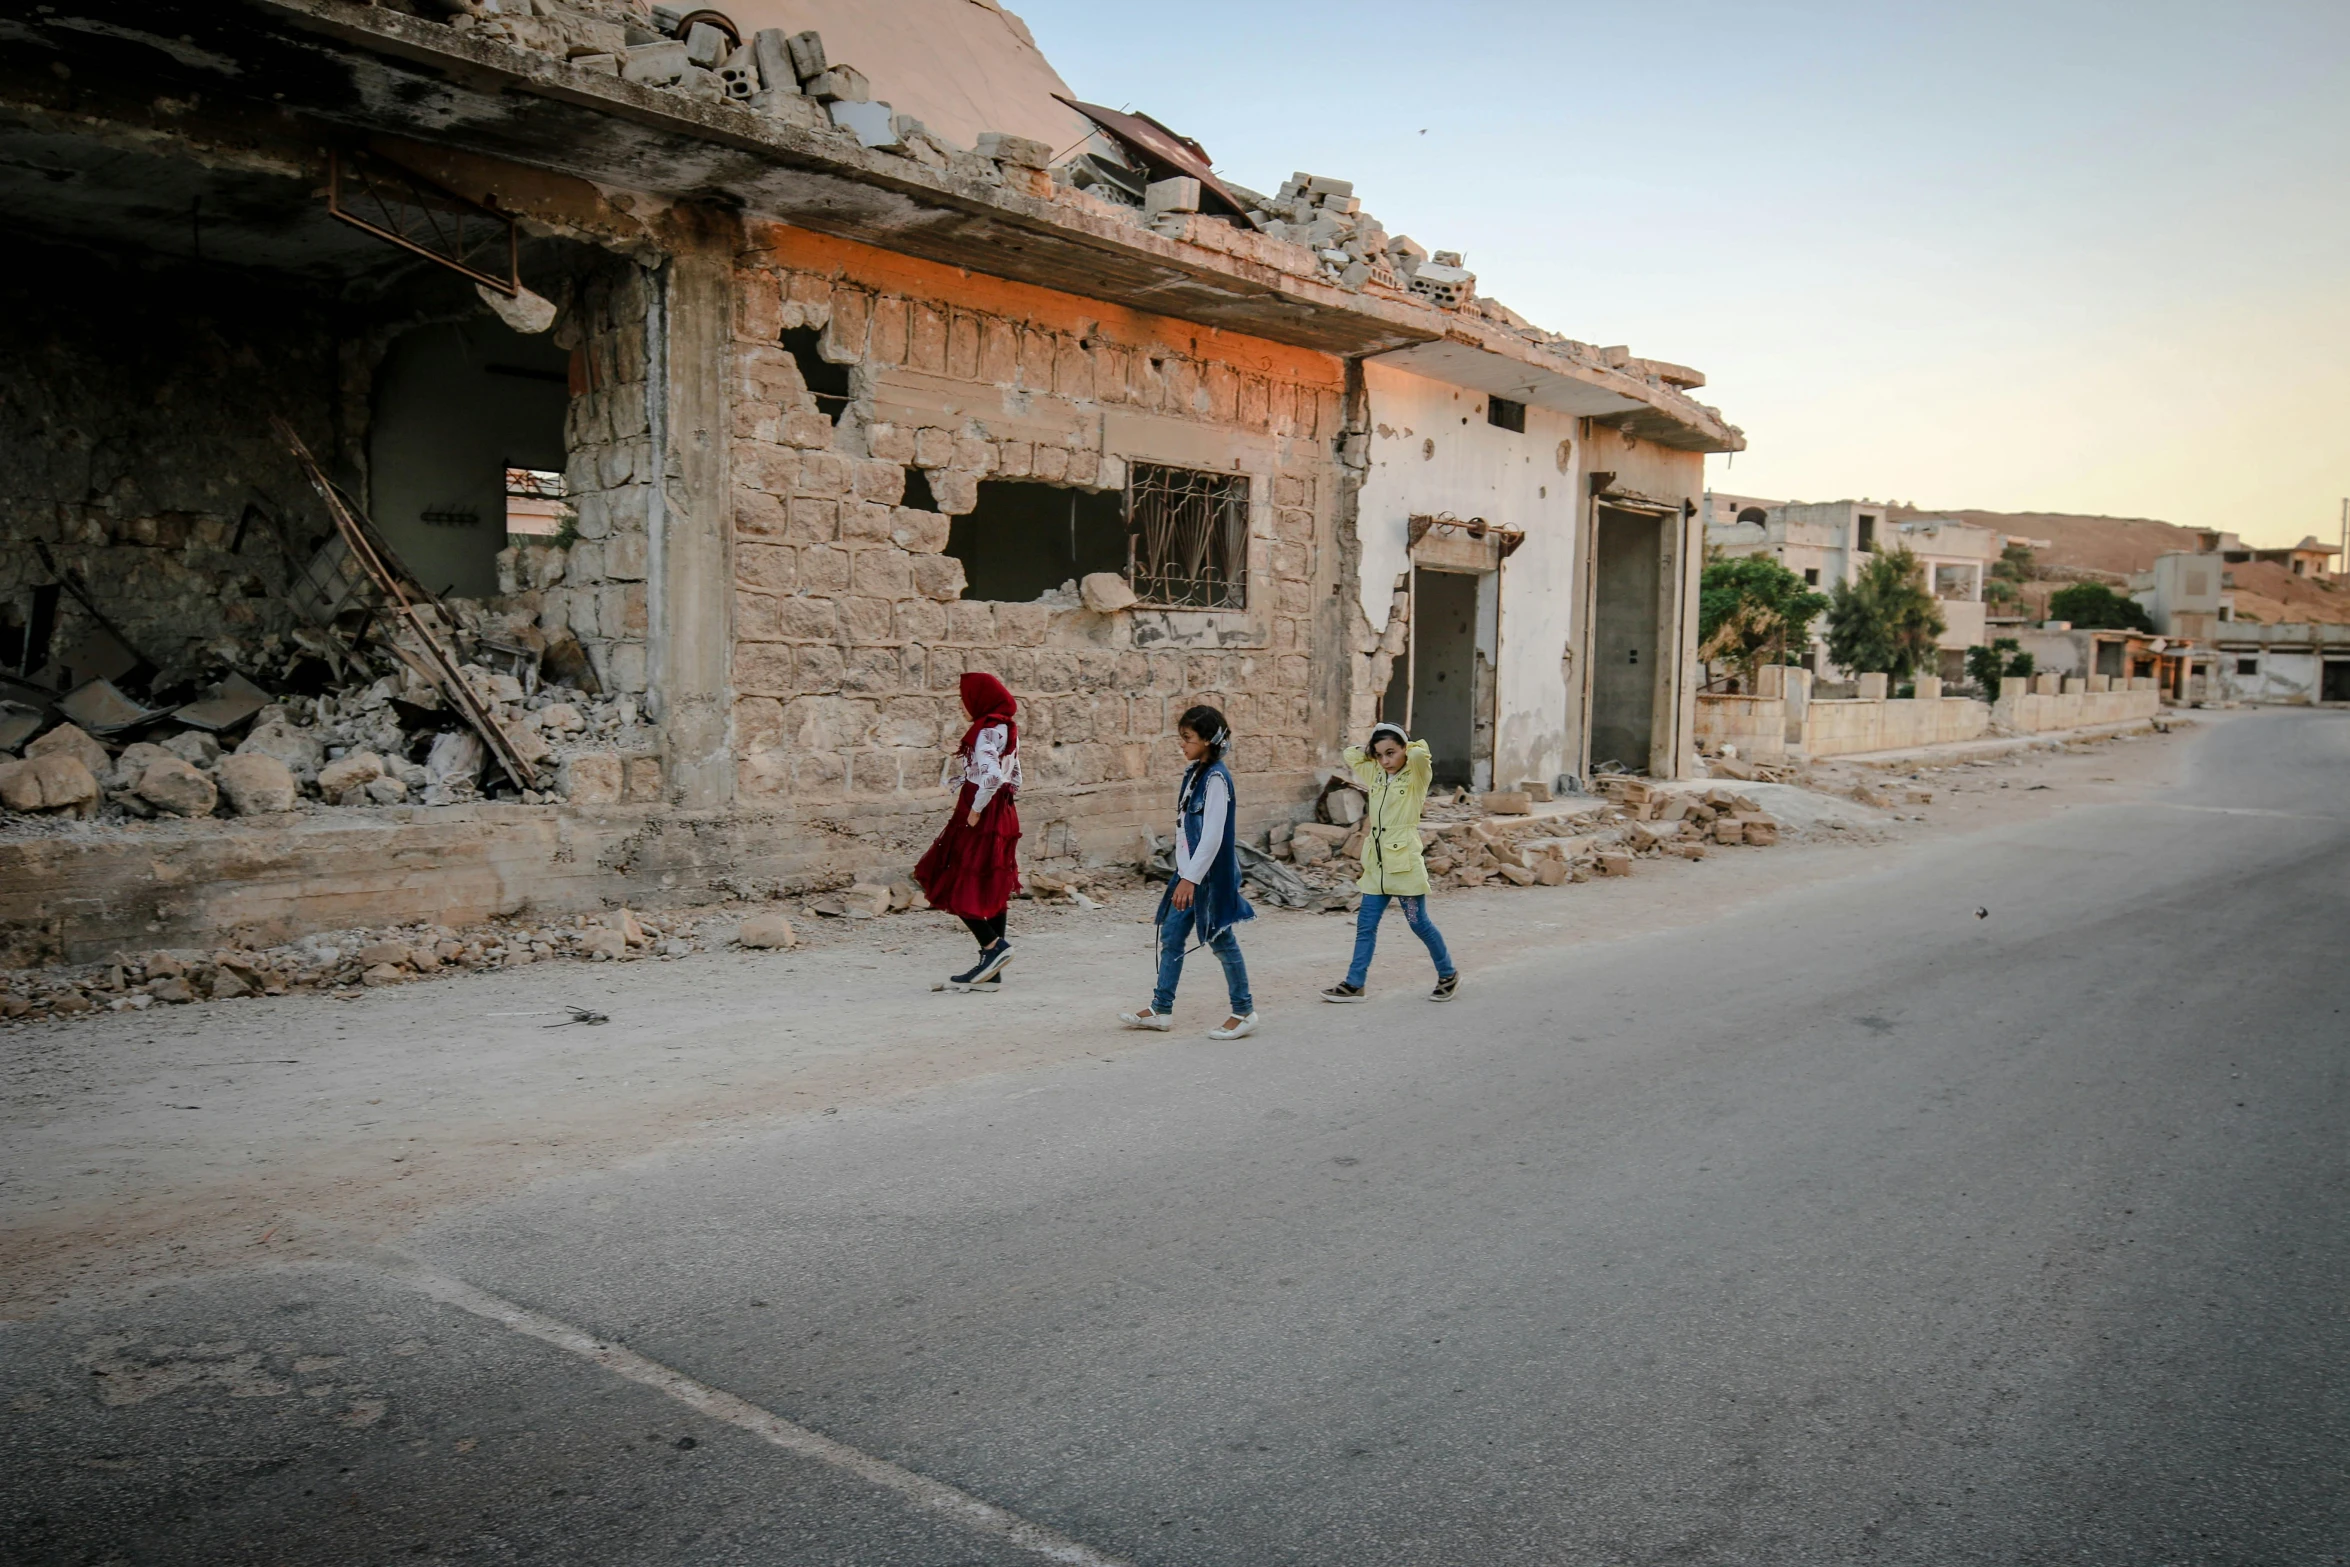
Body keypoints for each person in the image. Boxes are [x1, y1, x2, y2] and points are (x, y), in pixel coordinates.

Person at [1120, 705, 1258, 1040]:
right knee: (1171, 937)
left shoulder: (1216, 780)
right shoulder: (1195, 773)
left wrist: (1190, 879)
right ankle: (1161, 1008)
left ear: (1209, 740)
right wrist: (1184, 874)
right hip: (1187, 873)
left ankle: (1244, 1011)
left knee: (1221, 940)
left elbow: (1212, 836)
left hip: (1205, 878)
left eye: (1188, 738)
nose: (1182, 745)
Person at [1321, 721, 1459, 1003]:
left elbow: (1420, 755)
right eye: (1380, 754)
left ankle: (1448, 973)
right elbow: (1350, 754)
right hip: (1377, 866)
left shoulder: (1416, 774)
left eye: (1391, 753)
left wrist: (1408, 746)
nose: (1385, 761)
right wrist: (1372, 746)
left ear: (1404, 750)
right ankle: (1354, 983)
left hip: (1404, 865)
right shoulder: (1377, 774)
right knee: (1365, 925)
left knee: (1418, 922)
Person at [916, 671, 1023, 991]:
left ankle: (993, 948)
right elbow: (1014, 774)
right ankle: (993, 972)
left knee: (947, 878)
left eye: (965, 699)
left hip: (981, 812)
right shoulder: (1006, 727)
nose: (962, 706)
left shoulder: (985, 732)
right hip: (1003, 812)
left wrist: (976, 810)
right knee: (993, 883)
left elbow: (991, 777)